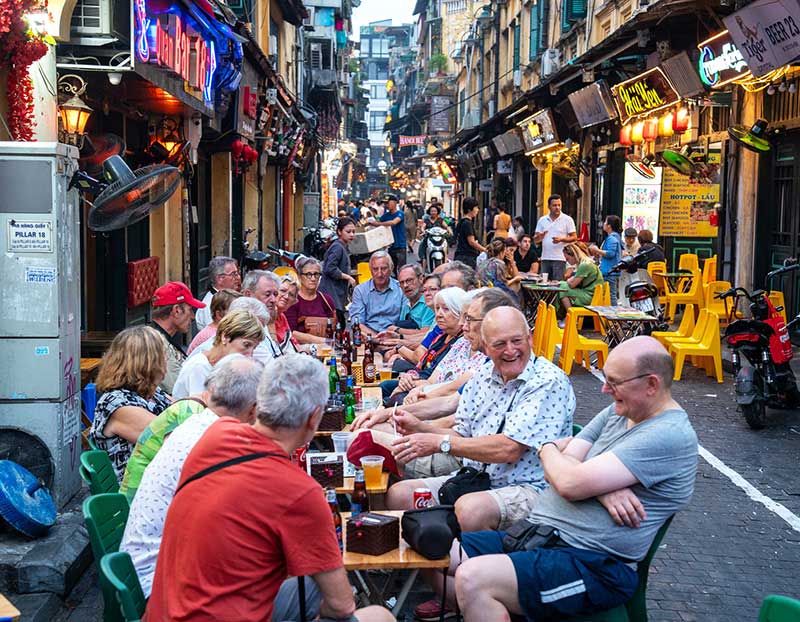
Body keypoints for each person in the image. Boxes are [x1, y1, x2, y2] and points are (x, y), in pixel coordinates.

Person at [442, 337, 698, 622]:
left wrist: (551, 452)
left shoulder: (667, 435)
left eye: (614, 382)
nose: (604, 389)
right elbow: (565, 468)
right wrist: (593, 484)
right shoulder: (619, 412)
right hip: (539, 536)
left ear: (651, 384)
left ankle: (485, 606)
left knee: (473, 579)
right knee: (432, 550)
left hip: (594, 564)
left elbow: (567, 482)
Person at [144, 354, 394, 622]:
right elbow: (341, 606)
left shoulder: (215, 435)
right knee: (379, 615)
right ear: (314, 418)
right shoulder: (301, 492)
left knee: (309, 585)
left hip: (163, 611)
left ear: (258, 404)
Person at [385, 306, 575, 533]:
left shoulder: (547, 380)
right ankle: (423, 567)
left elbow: (509, 449)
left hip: (529, 488)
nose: (510, 350)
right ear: (485, 346)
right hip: (476, 479)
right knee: (400, 496)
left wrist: (439, 443)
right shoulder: (483, 377)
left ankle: (460, 565)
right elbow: (462, 435)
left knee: (471, 509)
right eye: (499, 344)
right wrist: (419, 428)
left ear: (530, 338)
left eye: (517, 341)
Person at [121, 355, 263, 595]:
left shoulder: (196, 423)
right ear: (253, 410)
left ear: (212, 390)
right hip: (160, 582)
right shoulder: (217, 441)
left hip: (145, 567)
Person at [90, 326, 172, 482]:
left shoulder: (152, 393)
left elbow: (185, 407)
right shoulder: (118, 404)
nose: (167, 360)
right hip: (139, 492)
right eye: (164, 354)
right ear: (149, 362)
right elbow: (172, 442)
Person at [381, 287, 468, 404]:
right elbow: (422, 362)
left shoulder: (461, 341)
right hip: (420, 381)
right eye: (437, 309)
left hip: (431, 391)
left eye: (446, 309)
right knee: (384, 387)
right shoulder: (441, 335)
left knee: (393, 398)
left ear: (459, 312)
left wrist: (413, 383)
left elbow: (439, 381)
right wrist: (410, 376)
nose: (439, 314)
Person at [119, 393, 208, 502]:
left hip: (145, 486)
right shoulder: (190, 412)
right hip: (139, 491)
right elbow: (178, 464)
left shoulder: (194, 407)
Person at [172, 310, 263, 398]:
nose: (250, 354)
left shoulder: (228, 367)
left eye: (254, 348)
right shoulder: (199, 366)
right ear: (225, 337)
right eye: (246, 345)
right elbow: (201, 410)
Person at [150, 282, 207, 393]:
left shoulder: (160, 339)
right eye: (190, 310)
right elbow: (178, 390)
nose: (192, 317)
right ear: (177, 311)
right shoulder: (156, 344)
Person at [349, 251, 405, 338]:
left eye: (384, 269)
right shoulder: (360, 291)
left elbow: (405, 321)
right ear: (370, 270)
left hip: (394, 337)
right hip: (369, 338)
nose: (379, 274)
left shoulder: (401, 289)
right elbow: (357, 323)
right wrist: (377, 338)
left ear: (391, 268)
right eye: (375, 269)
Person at [285, 256, 336, 343]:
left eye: (316, 274)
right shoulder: (292, 301)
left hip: (326, 349)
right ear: (299, 276)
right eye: (308, 274)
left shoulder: (326, 300)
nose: (313, 278)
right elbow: (290, 332)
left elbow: (335, 326)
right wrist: (322, 341)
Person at [319, 217, 357, 328]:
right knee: (338, 326)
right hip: (331, 292)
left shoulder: (342, 247)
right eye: (348, 232)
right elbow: (329, 268)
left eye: (353, 232)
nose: (351, 235)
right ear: (339, 232)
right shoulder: (337, 248)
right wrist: (347, 277)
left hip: (337, 293)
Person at [534, 195, 577, 281]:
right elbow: (536, 240)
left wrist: (561, 239)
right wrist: (540, 237)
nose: (557, 207)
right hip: (545, 257)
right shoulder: (542, 220)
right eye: (554, 205)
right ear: (549, 206)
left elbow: (574, 237)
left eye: (559, 205)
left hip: (560, 258)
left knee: (558, 284)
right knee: (544, 283)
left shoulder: (567, 219)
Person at [188, 288, 242, 354]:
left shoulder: (224, 331)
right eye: (235, 312)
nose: (242, 315)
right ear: (219, 315)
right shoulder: (213, 336)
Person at [195, 257, 241, 330]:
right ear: (220, 279)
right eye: (233, 274)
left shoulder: (228, 298)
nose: (238, 277)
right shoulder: (209, 305)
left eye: (238, 273)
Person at [589, 215, 624, 305]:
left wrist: (597, 250)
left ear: (609, 226)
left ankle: (613, 314)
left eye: (605, 222)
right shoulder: (616, 237)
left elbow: (610, 253)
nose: (603, 224)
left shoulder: (612, 238)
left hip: (610, 271)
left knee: (611, 295)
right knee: (610, 294)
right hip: (611, 270)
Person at [559, 242, 604, 311]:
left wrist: (568, 281)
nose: (567, 261)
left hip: (592, 296)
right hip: (590, 293)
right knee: (562, 286)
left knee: (562, 287)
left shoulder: (585, 265)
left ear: (574, 255)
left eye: (567, 259)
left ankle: (569, 315)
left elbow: (572, 285)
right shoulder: (585, 263)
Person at [372, 193, 407, 271]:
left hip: (400, 246)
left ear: (394, 202)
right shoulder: (385, 215)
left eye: (388, 202)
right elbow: (377, 222)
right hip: (391, 246)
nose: (386, 205)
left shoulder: (400, 213)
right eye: (385, 203)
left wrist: (378, 224)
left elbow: (394, 222)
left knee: (401, 269)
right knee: (391, 269)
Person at [397, 263, 435, 329]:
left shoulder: (429, 303)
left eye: (409, 280)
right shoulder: (406, 305)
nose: (405, 285)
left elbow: (426, 333)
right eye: (401, 282)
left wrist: (397, 330)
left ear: (421, 279)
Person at [454, 198, 486, 268]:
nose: (478, 210)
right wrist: (485, 250)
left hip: (461, 257)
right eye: (476, 207)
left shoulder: (462, 221)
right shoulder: (467, 223)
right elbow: (472, 242)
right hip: (467, 258)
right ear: (469, 209)